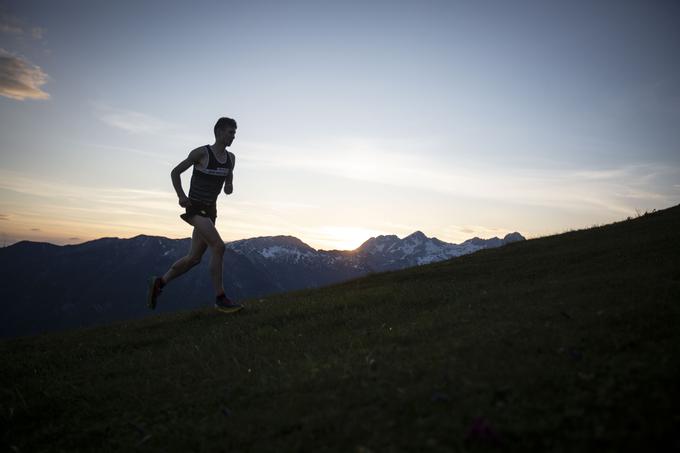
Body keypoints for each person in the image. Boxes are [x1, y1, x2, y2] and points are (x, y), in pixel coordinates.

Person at [146, 117, 243, 313]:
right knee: (219, 246)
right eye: (230, 132)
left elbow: (229, 179)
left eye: (234, 132)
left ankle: (160, 282)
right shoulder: (201, 153)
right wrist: (181, 196)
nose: (234, 136)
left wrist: (229, 185)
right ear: (218, 132)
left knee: (194, 258)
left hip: (210, 211)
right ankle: (220, 298)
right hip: (194, 208)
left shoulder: (231, 158)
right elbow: (175, 172)